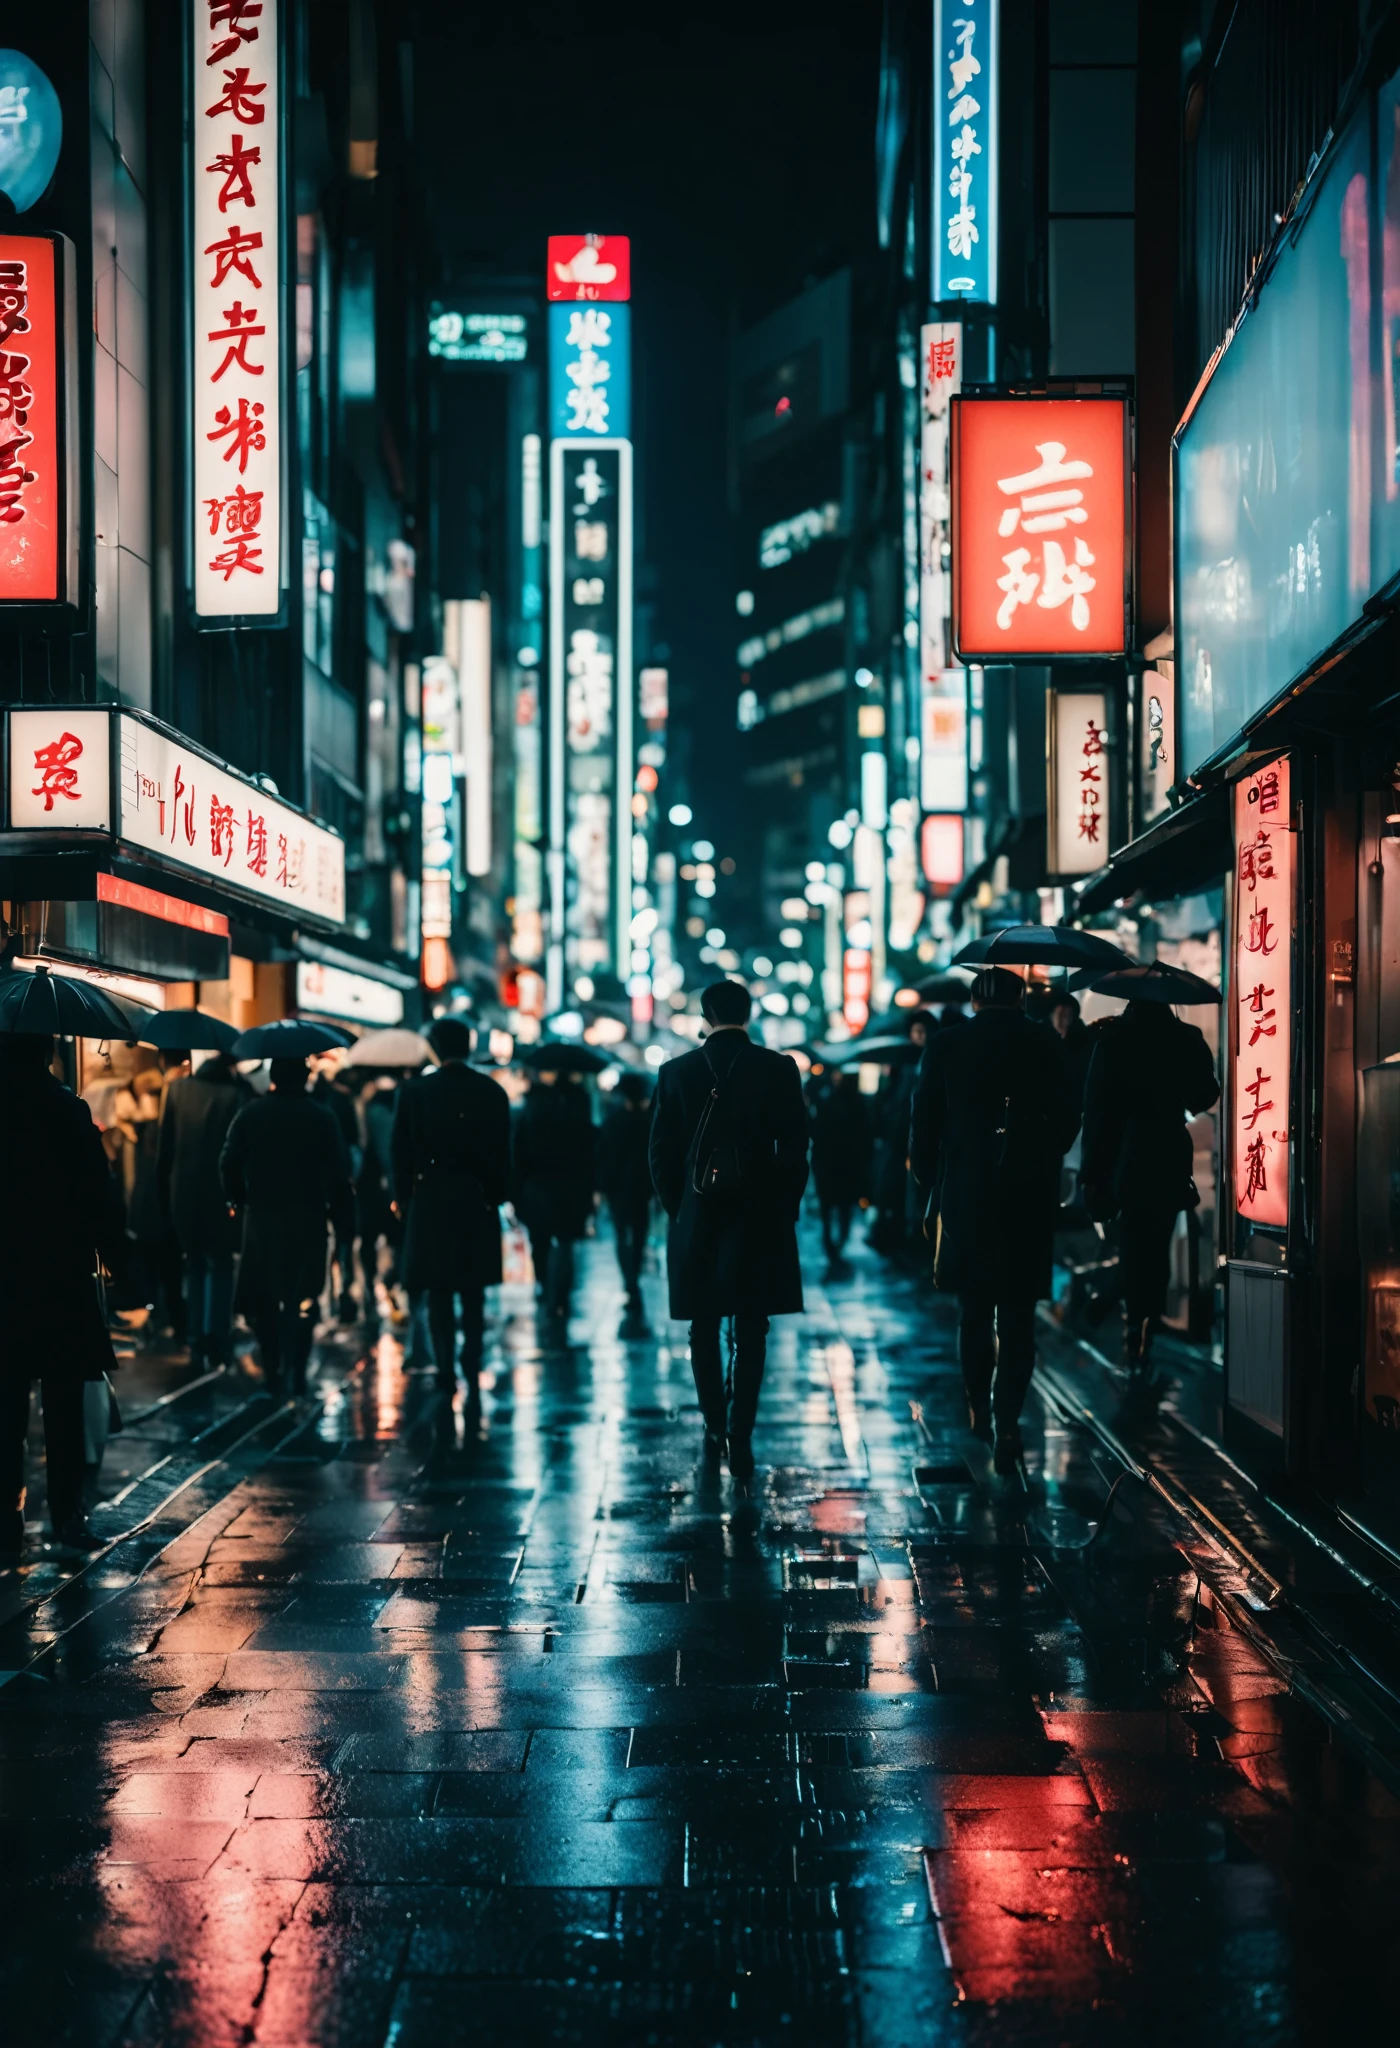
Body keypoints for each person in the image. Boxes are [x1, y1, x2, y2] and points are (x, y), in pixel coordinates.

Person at [910, 965, 1079, 1475]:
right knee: (1019, 1316)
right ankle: (1008, 1422)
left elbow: (925, 1115)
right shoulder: (1044, 1040)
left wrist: (927, 1174)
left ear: (975, 1000)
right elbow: (1071, 1113)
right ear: (1020, 997)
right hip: (1028, 1193)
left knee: (975, 1309)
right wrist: (1044, 1154)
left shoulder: (947, 1043)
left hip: (966, 1192)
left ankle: (978, 1406)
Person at [649, 979, 809, 1478]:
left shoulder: (676, 1072)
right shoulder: (778, 1068)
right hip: (759, 1218)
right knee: (752, 1328)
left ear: (705, 1015)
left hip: (697, 1218)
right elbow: (797, 1148)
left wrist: (680, 1209)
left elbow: (659, 1154)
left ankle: (714, 1425)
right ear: (749, 1012)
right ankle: (742, 1433)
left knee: (703, 1326)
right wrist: (783, 1205)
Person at [0, 1032, 126, 1556]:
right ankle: (67, 1518)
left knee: (6, 1406)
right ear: (48, 1052)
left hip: (5, 1279)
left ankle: (7, 1525)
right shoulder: (67, 1110)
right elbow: (100, 1196)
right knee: (64, 1405)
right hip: (60, 1277)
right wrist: (121, 1265)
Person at [1080, 998, 1221, 1366]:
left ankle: (1125, 1311)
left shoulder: (1112, 1040)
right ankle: (1146, 1324)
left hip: (1121, 1157)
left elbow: (1095, 1111)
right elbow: (1205, 1095)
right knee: (1157, 1247)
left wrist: (1091, 1175)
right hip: (1167, 1154)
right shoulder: (1184, 1037)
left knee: (1131, 1242)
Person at [391, 1017, 510, 1398]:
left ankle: (445, 1368)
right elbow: (501, 1152)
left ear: (436, 1048)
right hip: (476, 1196)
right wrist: (497, 1195)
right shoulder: (491, 1091)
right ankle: (471, 1360)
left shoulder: (414, 1092)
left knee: (438, 1289)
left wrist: (402, 1197)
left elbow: (400, 1151)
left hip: (431, 1197)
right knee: (472, 1287)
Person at [220, 1056, 354, 1393]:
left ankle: (273, 1368)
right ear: (305, 1076)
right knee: (304, 1296)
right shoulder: (322, 1116)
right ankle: (297, 1366)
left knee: (265, 1300)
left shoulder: (251, 1113)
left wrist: (237, 1198)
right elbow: (339, 1174)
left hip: (263, 1218)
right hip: (308, 1217)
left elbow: (229, 1161)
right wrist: (342, 1219)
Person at [158, 1048, 251, 1367]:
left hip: (182, 1192)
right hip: (220, 1194)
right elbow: (238, 1154)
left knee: (193, 1262)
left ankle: (196, 1336)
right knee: (220, 1264)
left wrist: (162, 1193)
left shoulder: (177, 1089)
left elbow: (164, 1148)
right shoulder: (235, 1095)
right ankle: (217, 1337)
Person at [513, 1067, 596, 1322]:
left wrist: (515, 1191)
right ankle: (560, 1292)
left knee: (540, 1241)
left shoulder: (533, 1108)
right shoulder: (578, 1109)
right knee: (566, 1241)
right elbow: (589, 1151)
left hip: (538, 1185)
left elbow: (519, 1152)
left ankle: (544, 1285)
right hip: (571, 1186)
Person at [869, 1009, 935, 1256]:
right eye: (915, 1032)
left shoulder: (928, 1062)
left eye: (922, 1032)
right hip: (899, 1142)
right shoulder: (904, 1066)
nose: (918, 1037)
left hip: (917, 1140)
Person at [597, 1072, 654, 1318]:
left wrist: (601, 1187)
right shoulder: (649, 1120)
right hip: (642, 1186)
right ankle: (635, 1275)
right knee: (640, 1233)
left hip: (617, 1187)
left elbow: (603, 1155)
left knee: (621, 1234)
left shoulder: (614, 1120)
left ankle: (629, 1281)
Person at [809, 1065, 872, 1276]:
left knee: (829, 1206)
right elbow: (865, 1135)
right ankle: (839, 1241)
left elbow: (816, 1131)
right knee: (844, 1205)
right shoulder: (858, 1102)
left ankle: (831, 1242)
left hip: (829, 1163)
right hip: (847, 1163)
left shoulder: (826, 1101)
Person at [313, 1059, 363, 1321]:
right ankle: (344, 1292)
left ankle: (325, 1298)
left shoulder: (314, 1103)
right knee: (344, 1240)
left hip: (317, 1184)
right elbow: (354, 1145)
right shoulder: (343, 1103)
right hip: (341, 1180)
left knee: (324, 1241)